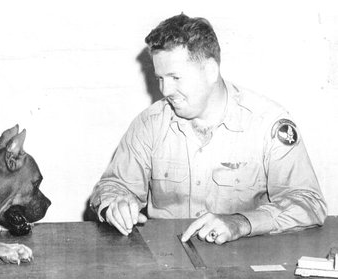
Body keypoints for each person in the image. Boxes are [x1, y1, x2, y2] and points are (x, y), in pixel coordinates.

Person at [89, 13, 327, 244]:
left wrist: (241, 222)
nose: (165, 90)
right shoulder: (150, 124)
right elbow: (114, 185)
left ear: (211, 70)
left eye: (175, 77)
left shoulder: (267, 123)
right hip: (168, 259)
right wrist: (115, 204)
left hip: (243, 259)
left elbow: (308, 202)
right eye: (160, 78)